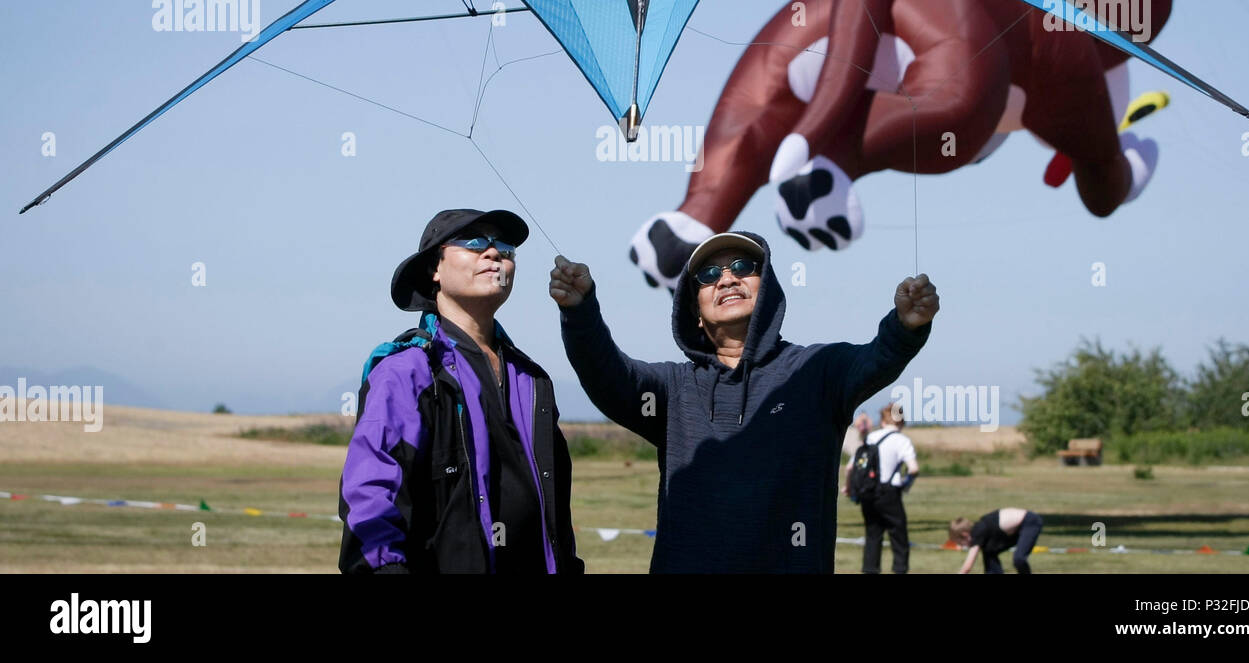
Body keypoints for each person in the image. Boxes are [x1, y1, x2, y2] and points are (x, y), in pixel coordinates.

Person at [550, 230, 938, 573]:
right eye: (708, 275)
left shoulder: (818, 370)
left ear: (767, 289)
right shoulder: (672, 388)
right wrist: (580, 312)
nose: (727, 278)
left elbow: (876, 358)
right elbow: (607, 374)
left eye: (742, 266)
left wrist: (905, 327)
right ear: (695, 313)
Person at [339, 208, 583, 574]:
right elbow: (371, 498)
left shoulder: (532, 380)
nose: (493, 252)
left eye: (505, 247)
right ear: (434, 270)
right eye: (473, 242)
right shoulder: (406, 372)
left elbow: (556, 515)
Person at [857, 403, 919, 574]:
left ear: (883, 420)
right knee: (898, 535)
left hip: (868, 492)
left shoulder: (871, 438)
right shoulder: (902, 441)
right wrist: (906, 484)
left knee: (872, 535)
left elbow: (853, 466)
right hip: (890, 492)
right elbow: (914, 469)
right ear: (901, 421)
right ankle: (899, 569)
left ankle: (870, 570)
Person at [950, 508, 1043, 574]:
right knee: (989, 551)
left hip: (1030, 522)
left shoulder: (977, 533)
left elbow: (967, 567)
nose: (962, 546)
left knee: (1019, 559)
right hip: (1014, 530)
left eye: (960, 543)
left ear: (964, 535)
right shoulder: (980, 531)